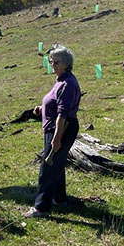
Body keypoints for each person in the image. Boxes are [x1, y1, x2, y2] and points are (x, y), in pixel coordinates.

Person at [24, 45, 81, 217]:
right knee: (57, 164)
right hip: (56, 126)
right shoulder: (62, 80)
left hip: (61, 128)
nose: (52, 64)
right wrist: (42, 109)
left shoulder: (68, 83)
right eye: (50, 61)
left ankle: (41, 208)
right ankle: (59, 199)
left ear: (66, 63)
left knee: (47, 168)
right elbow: (57, 104)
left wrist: (56, 138)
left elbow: (63, 113)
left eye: (55, 62)